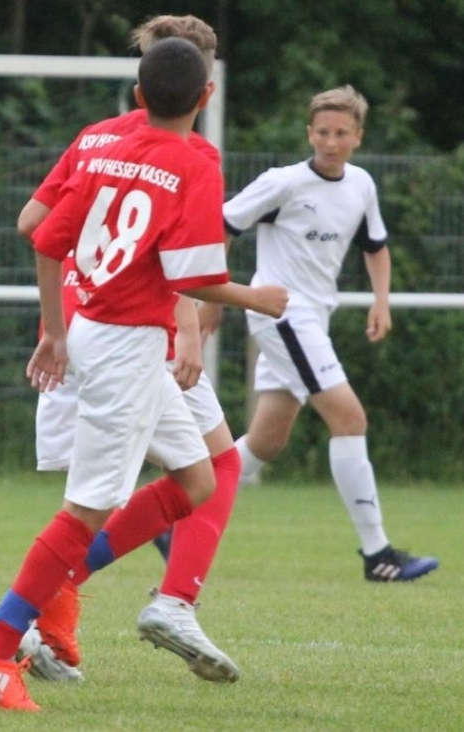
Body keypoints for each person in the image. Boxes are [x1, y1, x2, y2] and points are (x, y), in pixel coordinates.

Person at [0, 38, 288, 711]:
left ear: (138, 95)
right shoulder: (193, 163)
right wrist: (256, 297)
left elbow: (43, 235)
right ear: (206, 96)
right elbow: (194, 276)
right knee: (87, 509)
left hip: (100, 333)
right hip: (127, 350)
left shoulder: (107, 147)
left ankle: (52, 597)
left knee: (197, 478)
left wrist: (55, 330)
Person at [14, 14, 244, 685]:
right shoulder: (186, 156)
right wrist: (193, 323)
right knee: (206, 470)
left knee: (130, 486)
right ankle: (152, 603)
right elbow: (181, 266)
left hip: (78, 326)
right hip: (134, 333)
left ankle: (52, 621)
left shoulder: (97, 137)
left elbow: (33, 225)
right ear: (202, 89)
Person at [216, 85, 439, 582]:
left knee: (267, 440)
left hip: (314, 318)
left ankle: (175, 517)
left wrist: (381, 300)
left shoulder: (360, 185)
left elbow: (375, 246)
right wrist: (214, 298)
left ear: (358, 136)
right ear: (309, 133)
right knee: (350, 417)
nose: (331, 142)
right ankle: (378, 554)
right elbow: (223, 225)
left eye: (341, 133)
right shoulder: (283, 183)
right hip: (282, 315)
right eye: (322, 132)